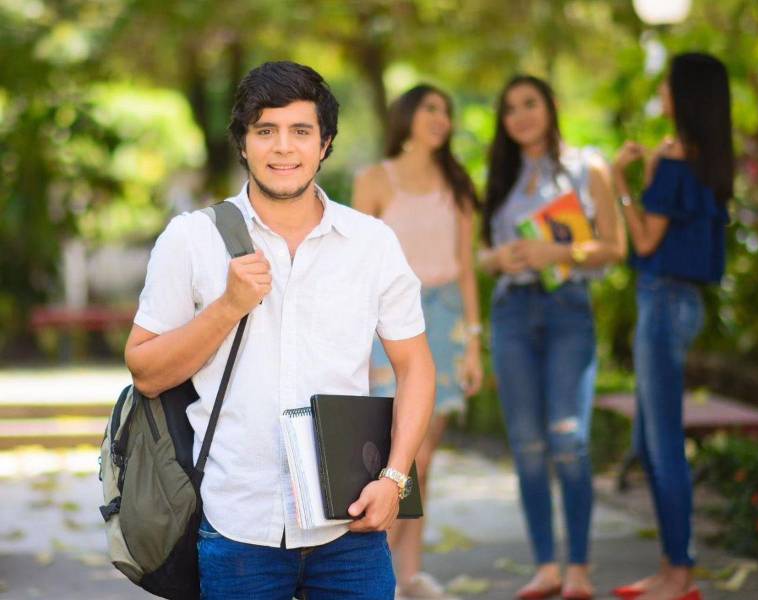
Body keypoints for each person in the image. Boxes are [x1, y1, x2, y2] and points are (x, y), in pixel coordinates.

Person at [124, 61, 436, 600]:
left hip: (351, 525)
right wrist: (228, 306)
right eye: (265, 131)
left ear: (325, 143)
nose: (282, 148)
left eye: (300, 131)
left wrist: (395, 480)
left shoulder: (371, 243)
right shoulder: (191, 239)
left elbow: (416, 367)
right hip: (237, 526)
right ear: (243, 143)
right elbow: (145, 372)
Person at [478, 75, 626, 600]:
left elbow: (614, 246)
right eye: (510, 108)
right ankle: (545, 567)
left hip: (568, 310)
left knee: (569, 440)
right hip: (511, 312)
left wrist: (559, 254)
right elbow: (482, 254)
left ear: (551, 106)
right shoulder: (499, 176)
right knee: (529, 446)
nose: (520, 115)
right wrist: (500, 259)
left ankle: (579, 569)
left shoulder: (590, 167)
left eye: (530, 103)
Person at [352, 84, 483, 600]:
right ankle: (375, 574)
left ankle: (408, 575)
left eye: (447, 112)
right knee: (397, 455)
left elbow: (468, 268)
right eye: (430, 108)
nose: (441, 118)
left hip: (447, 318)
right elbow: (356, 266)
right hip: (389, 322)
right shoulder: (373, 180)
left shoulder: (458, 182)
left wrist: (474, 340)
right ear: (407, 115)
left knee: (423, 458)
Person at [611, 52, 733, 600]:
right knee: (650, 438)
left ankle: (679, 574)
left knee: (662, 444)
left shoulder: (679, 160)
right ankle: (669, 569)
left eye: (669, 82)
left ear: (685, 93)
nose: (661, 88)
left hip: (662, 303)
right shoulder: (706, 160)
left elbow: (642, 241)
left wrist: (621, 180)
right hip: (680, 303)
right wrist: (656, 174)